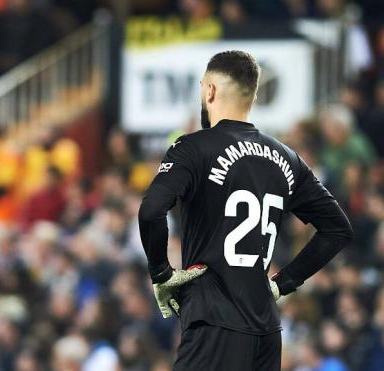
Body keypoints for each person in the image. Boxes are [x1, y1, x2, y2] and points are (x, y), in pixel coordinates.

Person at [138, 50, 353, 370]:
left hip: (214, 321)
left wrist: (161, 274)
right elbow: (338, 229)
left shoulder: (193, 147)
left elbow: (151, 211)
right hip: (267, 329)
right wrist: (284, 282)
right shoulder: (287, 158)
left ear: (209, 90)